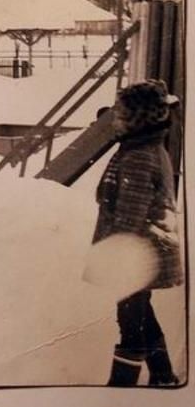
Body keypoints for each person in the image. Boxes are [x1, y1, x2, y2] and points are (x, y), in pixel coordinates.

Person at [91, 80, 183, 386]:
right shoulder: (142, 147)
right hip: (141, 251)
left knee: (131, 325)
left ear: (137, 117)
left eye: (121, 112)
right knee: (143, 317)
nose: (116, 117)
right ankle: (163, 376)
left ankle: (121, 390)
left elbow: (130, 215)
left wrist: (115, 258)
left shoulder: (140, 155)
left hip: (134, 253)